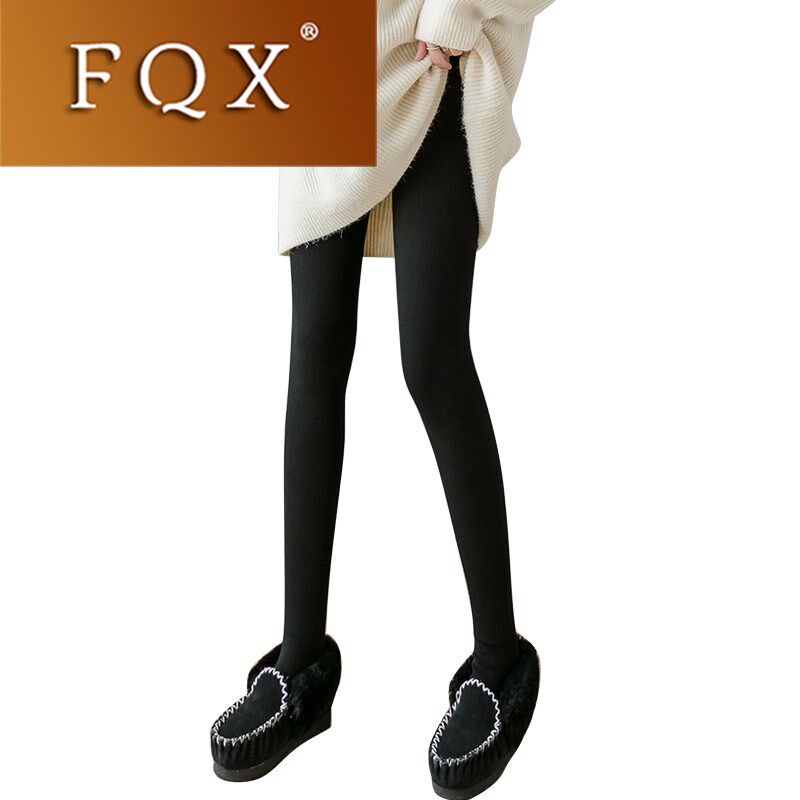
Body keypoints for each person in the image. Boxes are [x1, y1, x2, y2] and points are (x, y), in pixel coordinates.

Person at [211, 3, 555, 797]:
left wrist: (457, 9)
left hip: (430, 61)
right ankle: (300, 664)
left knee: (431, 360)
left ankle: (499, 661)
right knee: (315, 354)